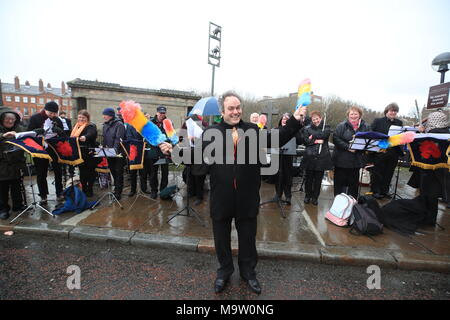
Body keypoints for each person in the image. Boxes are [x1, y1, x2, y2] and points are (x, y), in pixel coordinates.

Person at [159, 91, 307, 295]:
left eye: (238, 107)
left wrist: (295, 121)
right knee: (221, 238)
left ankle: (248, 272)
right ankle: (224, 271)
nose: (236, 111)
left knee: (247, 238)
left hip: (247, 196)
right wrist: (173, 151)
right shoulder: (212, 132)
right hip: (222, 196)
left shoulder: (253, 130)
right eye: (231, 108)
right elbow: (196, 155)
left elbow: (277, 138)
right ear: (222, 111)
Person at [0, 108, 42, 219]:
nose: (10, 121)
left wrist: (37, 132)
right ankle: (3, 209)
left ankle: (18, 206)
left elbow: (28, 135)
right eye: (7, 119)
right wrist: (3, 136)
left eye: (12, 119)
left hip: (16, 163)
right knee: (2, 189)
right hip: (2, 164)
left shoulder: (18, 128)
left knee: (17, 186)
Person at [408, 111, 449, 224]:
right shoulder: (447, 133)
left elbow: (419, 145)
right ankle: (430, 219)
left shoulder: (431, 134)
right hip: (442, 170)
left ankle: (427, 219)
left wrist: (421, 133)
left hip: (429, 170)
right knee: (433, 196)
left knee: (427, 194)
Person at [28, 101, 66, 203]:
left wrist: (59, 131)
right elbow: (28, 132)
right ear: (45, 110)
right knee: (41, 172)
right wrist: (37, 131)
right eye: (51, 113)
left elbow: (63, 135)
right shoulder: (35, 118)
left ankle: (59, 192)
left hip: (54, 148)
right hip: (40, 148)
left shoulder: (57, 119)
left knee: (58, 170)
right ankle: (43, 195)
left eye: (55, 113)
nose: (53, 115)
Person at [332, 106, 370, 199]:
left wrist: (360, 147)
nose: (353, 116)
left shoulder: (366, 126)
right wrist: (348, 147)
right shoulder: (341, 125)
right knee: (339, 184)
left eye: (355, 113)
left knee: (353, 185)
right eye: (351, 114)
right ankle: (338, 202)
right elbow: (335, 138)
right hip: (341, 161)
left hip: (356, 162)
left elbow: (369, 140)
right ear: (348, 115)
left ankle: (351, 203)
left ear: (360, 115)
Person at [369, 103, 403, 199]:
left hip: (393, 151)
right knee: (377, 172)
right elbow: (372, 133)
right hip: (380, 150)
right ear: (386, 111)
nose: (393, 112)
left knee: (389, 172)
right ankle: (375, 191)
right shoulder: (378, 121)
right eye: (391, 110)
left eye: (395, 111)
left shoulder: (399, 123)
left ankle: (385, 191)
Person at [301, 110, 333, 205]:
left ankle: (315, 197)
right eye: (313, 119)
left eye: (317, 119)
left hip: (322, 158)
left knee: (318, 180)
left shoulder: (326, 127)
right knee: (309, 179)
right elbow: (305, 141)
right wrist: (315, 141)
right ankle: (308, 196)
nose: (315, 121)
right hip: (310, 157)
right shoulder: (307, 128)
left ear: (320, 118)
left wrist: (312, 137)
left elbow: (324, 135)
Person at [181, 113, 209, 205]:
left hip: (200, 157)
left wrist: (194, 140)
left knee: (199, 177)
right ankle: (191, 192)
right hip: (191, 154)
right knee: (189, 174)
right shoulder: (188, 127)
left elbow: (206, 143)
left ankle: (199, 197)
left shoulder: (203, 129)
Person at [71, 110, 98, 197]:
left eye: (83, 117)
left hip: (89, 153)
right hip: (80, 153)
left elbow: (91, 133)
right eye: (80, 117)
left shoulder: (90, 126)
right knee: (82, 172)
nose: (81, 119)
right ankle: (84, 189)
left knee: (90, 172)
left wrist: (85, 137)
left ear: (87, 118)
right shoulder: (76, 127)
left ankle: (90, 189)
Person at [102, 107, 125, 200]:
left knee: (118, 171)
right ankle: (116, 188)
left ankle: (119, 191)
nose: (104, 117)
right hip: (109, 152)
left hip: (118, 153)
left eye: (105, 115)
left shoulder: (119, 124)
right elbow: (105, 138)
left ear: (111, 115)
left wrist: (115, 150)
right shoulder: (105, 125)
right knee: (113, 171)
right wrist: (103, 147)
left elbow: (118, 138)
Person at [272, 113, 296, 205]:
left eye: (286, 120)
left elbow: (299, 140)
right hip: (277, 156)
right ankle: (278, 194)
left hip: (287, 157)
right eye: (283, 119)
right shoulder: (275, 129)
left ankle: (288, 196)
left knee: (287, 176)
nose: (284, 120)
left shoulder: (292, 131)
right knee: (278, 175)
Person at [149, 105, 170, 199]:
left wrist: (166, 143)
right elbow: (147, 137)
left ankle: (163, 192)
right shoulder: (150, 123)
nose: (162, 114)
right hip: (154, 151)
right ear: (157, 113)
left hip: (165, 151)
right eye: (160, 113)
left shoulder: (168, 123)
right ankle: (154, 191)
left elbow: (171, 136)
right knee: (153, 173)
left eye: (164, 113)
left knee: (165, 173)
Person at [124, 119, 147, 197]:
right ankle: (133, 190)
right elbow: (129, 138)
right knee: (133, 173)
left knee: (143, 172)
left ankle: (144, 189)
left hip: (143, 151)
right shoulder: (130, 126)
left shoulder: (143, 126)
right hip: (133, 150)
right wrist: (141, 142)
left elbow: (147, 137)